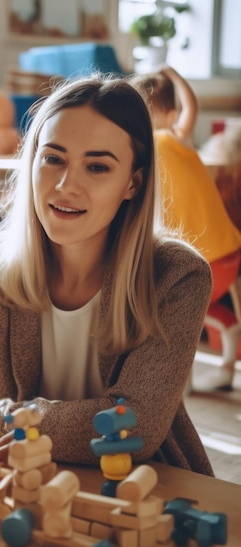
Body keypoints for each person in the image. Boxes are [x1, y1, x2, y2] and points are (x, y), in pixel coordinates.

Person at [0, 74, 214, 476]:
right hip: (21, 484)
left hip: (142, 490)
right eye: (53, 159)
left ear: (133, 183)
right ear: (32, 161)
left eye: (97, 167)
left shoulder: (179, 275)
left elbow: (133, 423)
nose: (67, 185)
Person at [131, 66, 241, 390]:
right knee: (207, 304)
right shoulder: (177, 138)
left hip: (200, 263)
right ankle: (228, 350)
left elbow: (190, 108)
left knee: (162, 302)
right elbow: (192, 107)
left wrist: (173, 75)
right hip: (229, 254)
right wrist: (175, 76)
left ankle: (179, 382)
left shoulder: (157, 141)